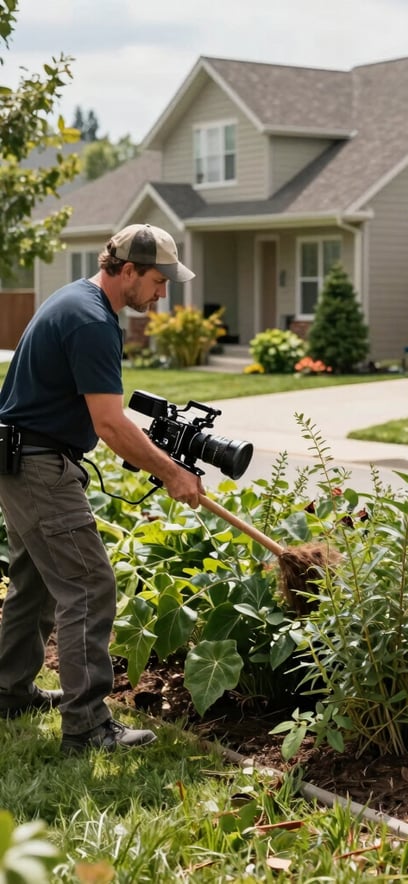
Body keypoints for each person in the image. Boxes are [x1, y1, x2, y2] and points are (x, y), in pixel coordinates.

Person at [0, 223, 204, 753]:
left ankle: (9, 693)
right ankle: (88, 727)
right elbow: (111, 424)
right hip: (40, 468)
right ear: (128, 270)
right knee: (89, 585)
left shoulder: (74, 299)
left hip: (21, 460)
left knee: (36, 581)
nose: (163, 295)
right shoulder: (92, 321)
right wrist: (173, 472)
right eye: (159, 281)